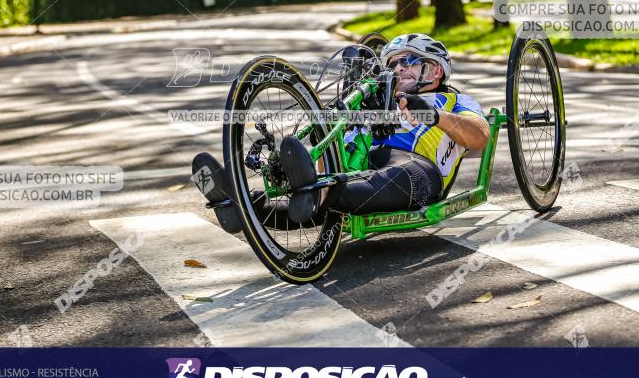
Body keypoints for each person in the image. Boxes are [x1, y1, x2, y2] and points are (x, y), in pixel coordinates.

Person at [191, 33, 490, 232]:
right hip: (353, 166)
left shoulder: (455, 100)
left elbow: (479, 136)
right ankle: (241, 202)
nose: (397, 68)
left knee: (336, 192)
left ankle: (302, 192)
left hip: (416, 170)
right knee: (319, 197)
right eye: (391, 63)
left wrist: (435, 115)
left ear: (436, 70)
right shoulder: (374, 96)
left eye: (408, 61)